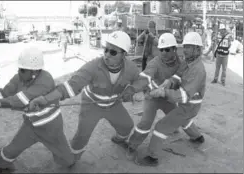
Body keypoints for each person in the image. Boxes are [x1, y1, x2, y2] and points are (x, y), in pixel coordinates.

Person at [29, 31, 145, 161]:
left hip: (114, 105)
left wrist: (135, 90)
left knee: (127, 126)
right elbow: (70, 86)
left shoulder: (131, 68)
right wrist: (45, 99)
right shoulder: (93, 66)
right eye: (106, 49)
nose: (106, 55)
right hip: (91, 106)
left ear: (124, 54)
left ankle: (119, 139)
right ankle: (72, 158)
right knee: (82, 136)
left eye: (113, 52)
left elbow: (140, 80)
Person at [0, 46, 77, 173]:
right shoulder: (19, 77)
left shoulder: (45, 80)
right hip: (31, 125)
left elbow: (19, 100)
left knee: (68, 160)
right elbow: (5, 92)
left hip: (51, 128)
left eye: (22, 70)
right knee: (11, 150)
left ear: (34, 72)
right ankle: (2, 165)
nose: (19, 72)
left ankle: (66, 157)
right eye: (19, 69)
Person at [132, 32, 206, 167]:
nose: (164, 52)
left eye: (189, 47)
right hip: (156, 97)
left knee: (162, 126)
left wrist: (163, 92)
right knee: (148, 122)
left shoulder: (196, 69)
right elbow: (176, 77)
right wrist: (168, 82)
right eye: (185, 46)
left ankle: (152, 158)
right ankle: (197, 137)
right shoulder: (186, 62)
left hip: (184, 103)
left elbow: (183, 96)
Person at [126, 33, 182, 153]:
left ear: (174, 49)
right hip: (152, 98)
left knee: (178, 117)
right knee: (145, 123)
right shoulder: (155, 63)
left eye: (167, 49)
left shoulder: (180, 64)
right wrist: (133, 90)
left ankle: (192, 134)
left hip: (167, 98)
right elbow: (144, 77)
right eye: (161, 49)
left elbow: (183, 79)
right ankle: (132, 145)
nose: (163, 53)